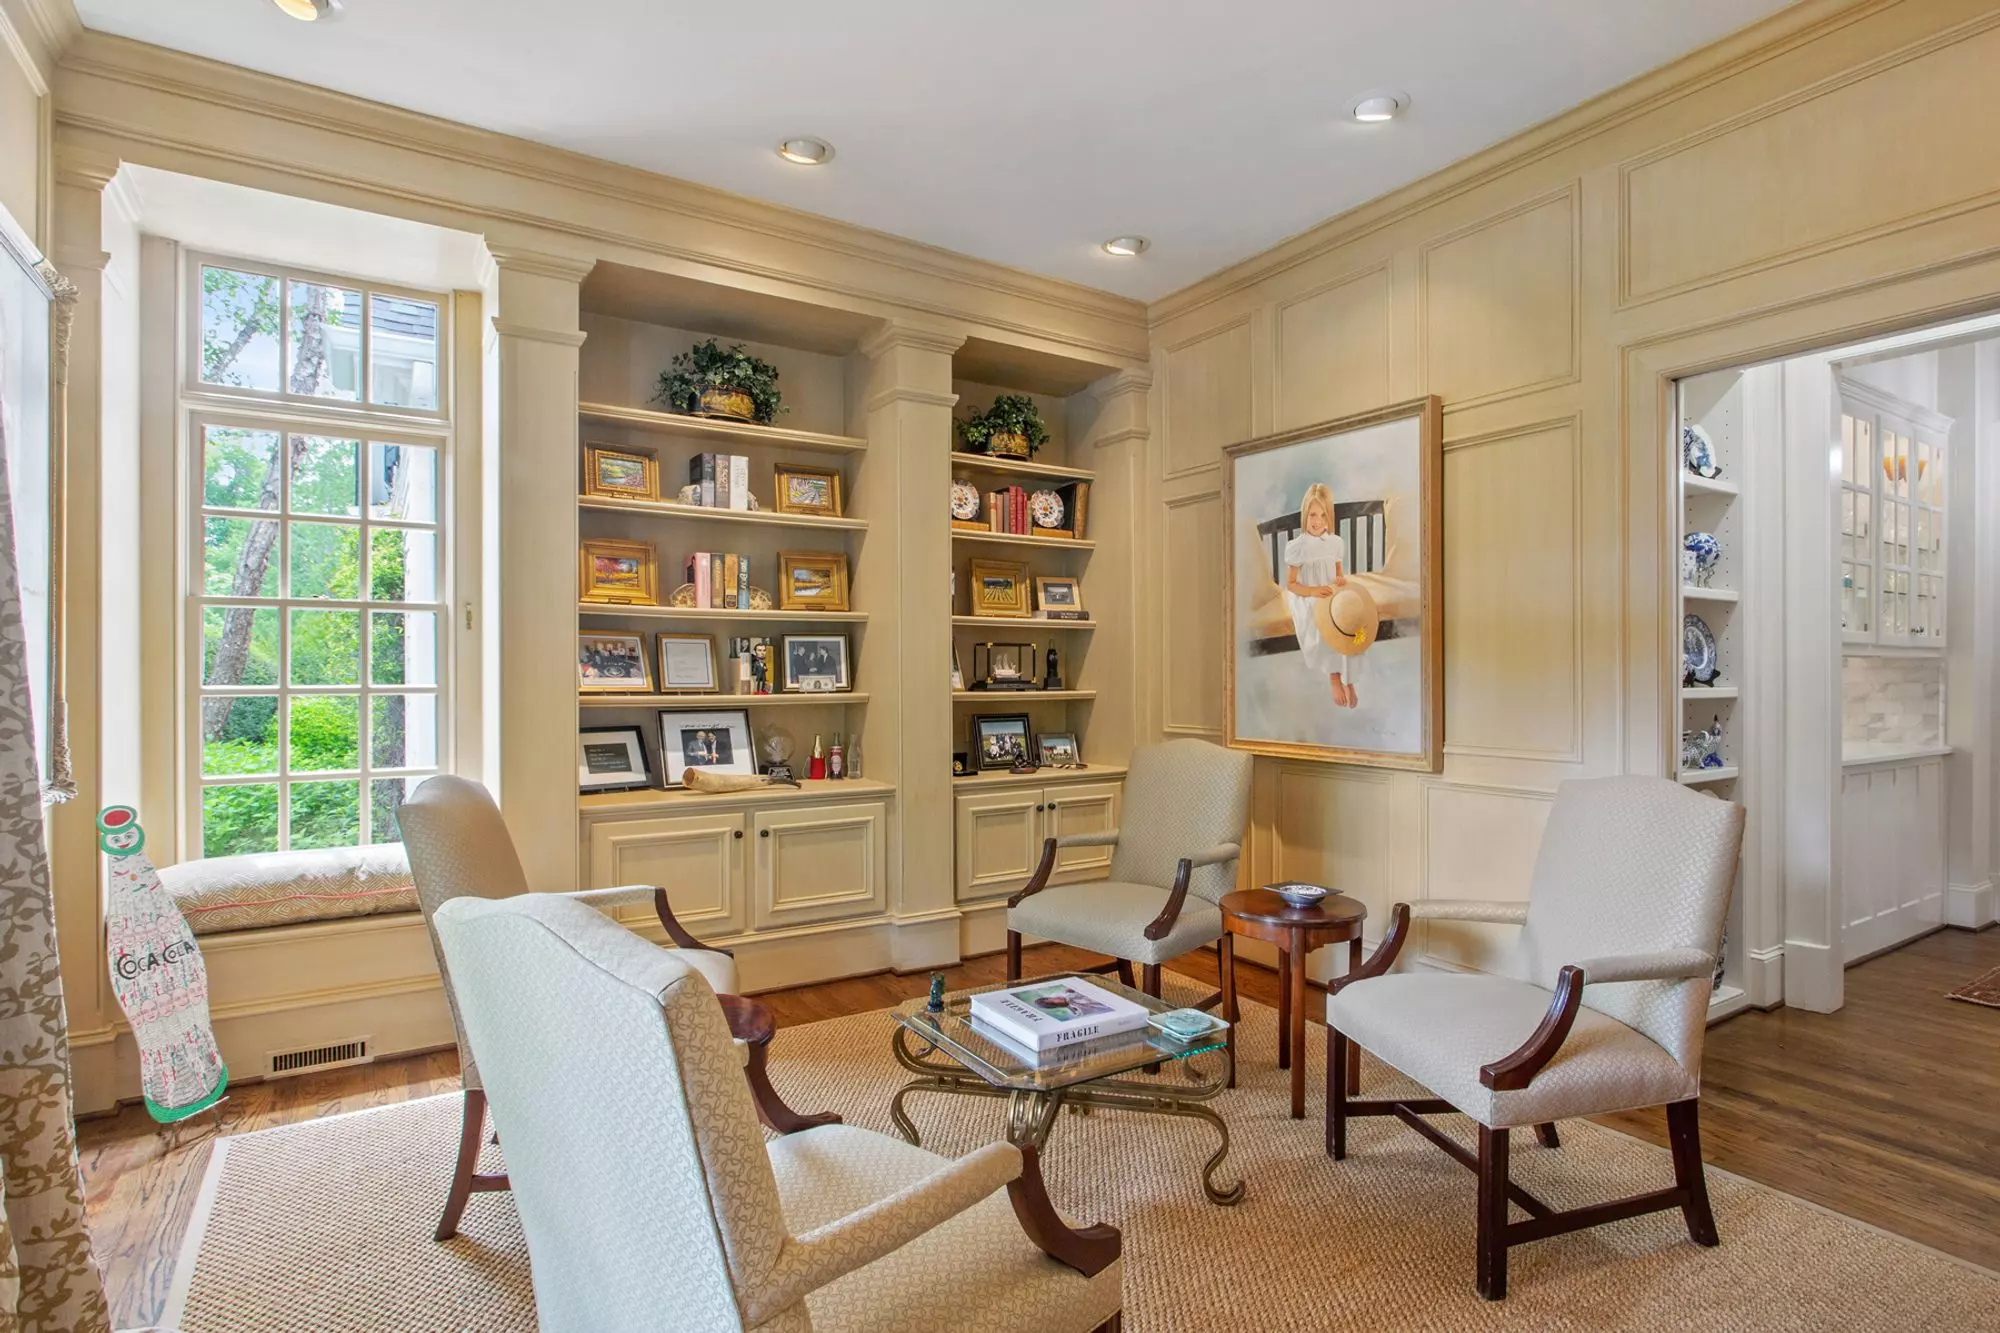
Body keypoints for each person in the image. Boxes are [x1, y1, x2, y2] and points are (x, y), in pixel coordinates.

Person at [1283, 482, 1362, 709]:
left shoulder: (1335, 543)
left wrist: (1340, 581)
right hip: (1307, 594)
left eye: (1322, 515)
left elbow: (1338, 575)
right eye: (1312, 515)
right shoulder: (1298, 547)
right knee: (1325, 621)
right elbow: (1291, 584)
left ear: (1329, 517)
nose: (1317, 521)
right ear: (1305, 515)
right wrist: (1312, 592)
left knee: (1348, 619)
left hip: (1328, 591)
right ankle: (1335, 676)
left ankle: (1350, 679)